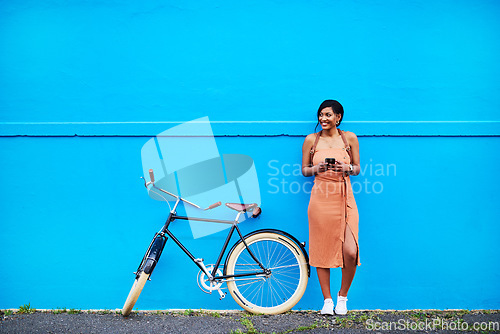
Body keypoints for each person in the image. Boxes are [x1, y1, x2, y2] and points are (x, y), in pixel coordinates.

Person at [301, 99, 361, 315]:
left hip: (345, 196)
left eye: (328, 115)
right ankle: (327, 300)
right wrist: (318, 167)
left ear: (338, 117)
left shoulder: (349, 138)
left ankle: (342, 297)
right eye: (321, 115)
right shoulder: (311, 140)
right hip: (320, 197)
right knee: (321, 248)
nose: (323, 119)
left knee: (350, 251)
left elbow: (357, 169)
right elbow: (305, 171)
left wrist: (346, 167)